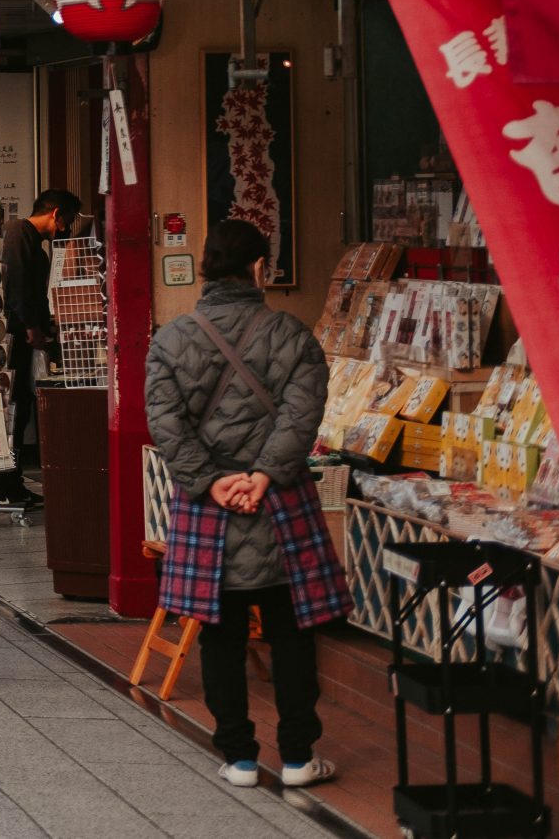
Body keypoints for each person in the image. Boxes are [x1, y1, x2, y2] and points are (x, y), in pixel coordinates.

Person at [146, 218, 345, 791]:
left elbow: (166, 424)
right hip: (279, 504)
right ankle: (300, 756)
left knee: (219, 635)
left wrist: (210, 483)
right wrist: (263, 475)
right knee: (292, 633)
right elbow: (302, 414)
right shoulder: (291, 333)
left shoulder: (172, 339)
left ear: (207, 267)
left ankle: (237, 757)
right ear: (260, 268)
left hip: (209, 509)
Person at [0, 187, 81, 506]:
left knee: (23, 408)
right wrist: (31, 327)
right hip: (15, 337)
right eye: (68, 219)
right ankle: (1, 484)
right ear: (56, 213)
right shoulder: (20, 234)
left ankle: (12, 482)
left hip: (28, 335)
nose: (67, 227)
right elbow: (17, 285)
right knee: (13, 407)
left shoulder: (32, 240)